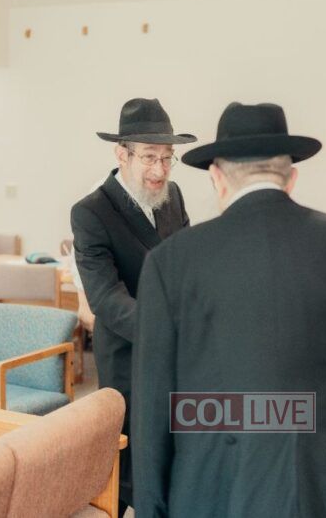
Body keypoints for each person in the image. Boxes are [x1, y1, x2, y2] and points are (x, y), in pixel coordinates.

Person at [133, 102, 326, 518]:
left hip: (214, 483)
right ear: (291, 178)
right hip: (322, 479)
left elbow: (153, 404)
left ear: (217, 178)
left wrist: (151, 509)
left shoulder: (171, 261)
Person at [70, 97, 195, 516]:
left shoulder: (173, 196)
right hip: (130, 355)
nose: (160, 170)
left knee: (175, 455)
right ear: (121, 154)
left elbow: (187, 263)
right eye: (149, 157)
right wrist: (169, 330)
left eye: (167, 158)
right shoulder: (91, 212)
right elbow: (106, 298)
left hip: (178, 354)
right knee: (133, 465)